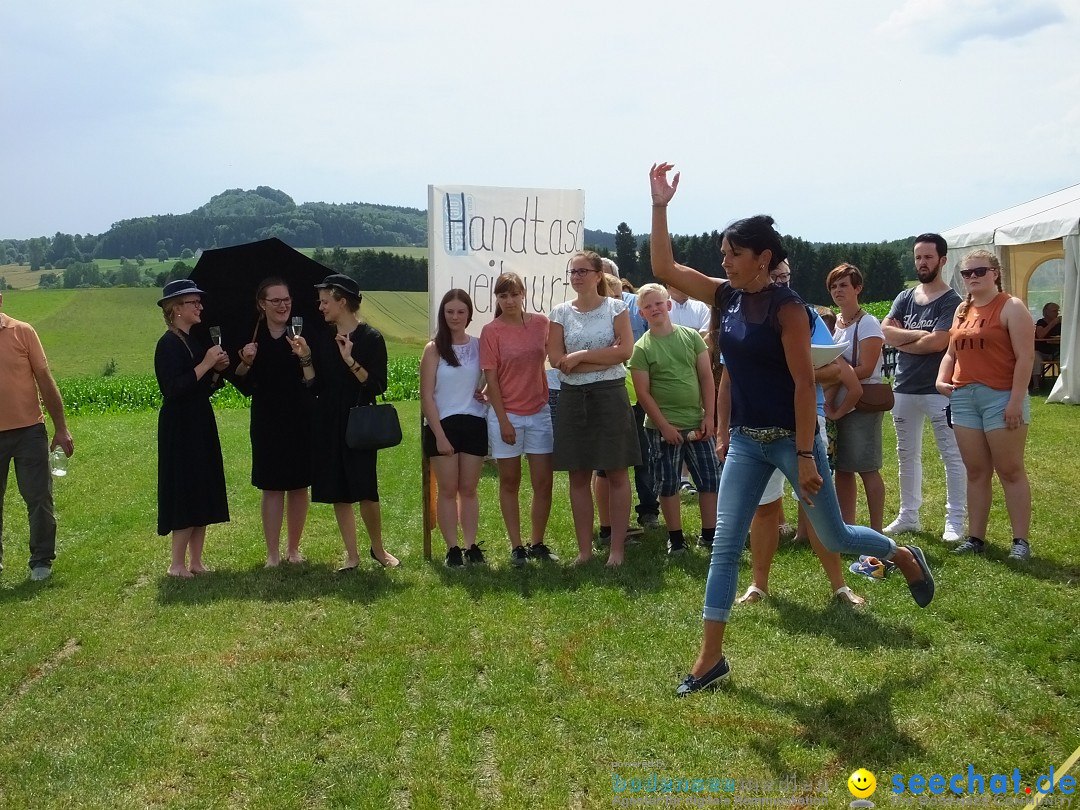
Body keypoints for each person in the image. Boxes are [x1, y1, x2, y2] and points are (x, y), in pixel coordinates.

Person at [648, 162, 934, 696]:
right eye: (723, 256)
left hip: (791, 440)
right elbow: (664, 266)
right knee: (726, 545)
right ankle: (710, 660)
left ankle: (899, 555)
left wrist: (805, 454)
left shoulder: (790, 310)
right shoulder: (725, 298)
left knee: (835, 535)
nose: (725, 263)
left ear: (763, 259)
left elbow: (806, 387)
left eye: (734, 255)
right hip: (746, 446)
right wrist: (661, 205)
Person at [290, 274, 399, 570]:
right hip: (327, 421)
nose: (320, 306)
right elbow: (314, 385)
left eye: (325, 301)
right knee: (339, 490)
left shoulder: (371, 338)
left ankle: (378, 549)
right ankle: (352, 555)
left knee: (365, 489)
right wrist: (305, 358)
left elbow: (376, 386)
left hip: (359, 422)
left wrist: (349, 359)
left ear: (342, 302)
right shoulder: (321, 337)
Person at [936, 250, 1035, 560]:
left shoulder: (1011, 307)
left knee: (1010, 470)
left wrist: (1016, 400)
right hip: (964, 397)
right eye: (967, 273)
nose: (973, 277)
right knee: (976, 471)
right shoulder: (962, 310)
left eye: (980, 271)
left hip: (1001, 395)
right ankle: (976, 538)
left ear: (995, 273)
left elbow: (1025, 357)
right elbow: (951, 352)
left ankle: (1020, 541)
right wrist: (942, 379)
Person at [549, 251, 640, 566]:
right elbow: (557, 361)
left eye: (582, 271)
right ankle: (585, 551)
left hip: (610, 396)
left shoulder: (617, 308)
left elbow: (625, 351)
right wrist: (599, 355)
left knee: (616, 471)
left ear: (599, 275)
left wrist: (579, 357)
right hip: (573, 398)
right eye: (572, 272)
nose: (576, 277)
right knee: (578, 475)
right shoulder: (559, 312)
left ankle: (616, 550)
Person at [881, 233, 966, 542]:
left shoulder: (952, 301)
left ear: (942, 260)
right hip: (903, 389)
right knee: (906, 454)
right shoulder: (905, 297)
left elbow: (940, 342)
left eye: (929, 257)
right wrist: (919, 337)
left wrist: (906, 339)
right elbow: (886, 332)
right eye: (918, 257)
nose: (922, 262)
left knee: (951, 455)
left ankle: (955, 520)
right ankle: (908, 516)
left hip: (939, 391)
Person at [629, 284, 719, 555]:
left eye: (659, 303)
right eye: (648, 306)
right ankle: (676, 538)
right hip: (662, 429)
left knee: (709, 480)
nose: (655, 309)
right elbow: (643, 393)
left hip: (698, 422)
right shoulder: (641, 349)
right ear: (642, 313)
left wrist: (710, 416)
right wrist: (665, 426)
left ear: (669, 306)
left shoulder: (692, 338)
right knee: (668, 485)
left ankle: (709, 534)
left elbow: (706, 377)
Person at [233, 278, 313, 567]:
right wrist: (246, 361)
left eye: (286, 300)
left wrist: (305, 356)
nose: (283, 305)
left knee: (299, 484)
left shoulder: (303, 333)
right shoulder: (252, 336)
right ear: (261, 304)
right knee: (271, 485)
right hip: (267, 417)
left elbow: (313, 381)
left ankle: (293, 549)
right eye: (276, 301)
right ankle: (272, 553)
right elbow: (240, 379)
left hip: (299, 416)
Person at [154, 279, 230, 578]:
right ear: (175, 309)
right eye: (193, 302)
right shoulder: (168, 344)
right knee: (183, 489)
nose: (200, 307)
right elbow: (173, 389)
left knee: (202, 486)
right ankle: (176, 564)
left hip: (199, 419)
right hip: (179, 426)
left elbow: (200, 389)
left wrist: (216, 372)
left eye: (199, 302)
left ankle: (196, 562)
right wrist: (206, 364)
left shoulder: (193, 340)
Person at [479, 272, 557, 565]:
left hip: (539, 411)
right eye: (503, 295)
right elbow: (492, 378)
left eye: (514, 294)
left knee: (543, 483)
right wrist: (504, 421)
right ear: (497, 299)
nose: (509, 301)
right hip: (506, 414)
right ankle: (516, 546)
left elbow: (557, 354)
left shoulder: (541, 323)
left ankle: (536, 542)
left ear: (524, 293)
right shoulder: (492, 331)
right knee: (510, 481)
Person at [0, 290, 74, 581]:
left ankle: (41, 560)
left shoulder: (22, 332)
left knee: (39, 497)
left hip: (29, 430)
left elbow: (45, 380)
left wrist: (62, 428)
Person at [420, 289, 488, 567]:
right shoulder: (433, 348)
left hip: (474, 423)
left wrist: (483, 391)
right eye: (450, 312)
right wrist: (439, 436)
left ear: (469, 314)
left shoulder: (479, 345)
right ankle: (452, 549)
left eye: (461, 312)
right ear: (443, 314)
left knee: (469, 489)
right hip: (442, 426)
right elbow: (426, 396)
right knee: (447, 490)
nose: (455, 317)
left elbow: (488, 379)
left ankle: (472, 546)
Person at [828, 263, 887, 533]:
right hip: (838, 399)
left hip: (861, 404)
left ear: (857, 289)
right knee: (843, 468)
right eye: (834, 286)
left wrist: (835, 373)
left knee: (867, 468)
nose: (838, 291)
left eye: (843, 285)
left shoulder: (869, 323)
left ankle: (876, 530)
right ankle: (847, 528)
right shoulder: (836, 324)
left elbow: (866, 366)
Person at [602, 260, 661, 531]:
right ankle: (610, 523)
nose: (615, 301)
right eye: (609, 296)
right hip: (606, 398)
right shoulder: (591, 322)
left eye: (618, 297)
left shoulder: (632, 313)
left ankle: (648, 511)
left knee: (644, 456)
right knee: (606, 465)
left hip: (637, 397)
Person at [1031, 302, 1061, 391]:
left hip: (1055, 351)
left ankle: (1062, 384)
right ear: (1047, 312)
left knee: (1065, 358)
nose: (1057, 313)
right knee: (1036, 358)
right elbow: (1040, 335)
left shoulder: (1060, 324)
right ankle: (1036, 385)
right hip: (1041, 351)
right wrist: (1053, 323)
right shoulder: (1041, 322)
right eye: (1054, 311)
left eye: (1057, 311)